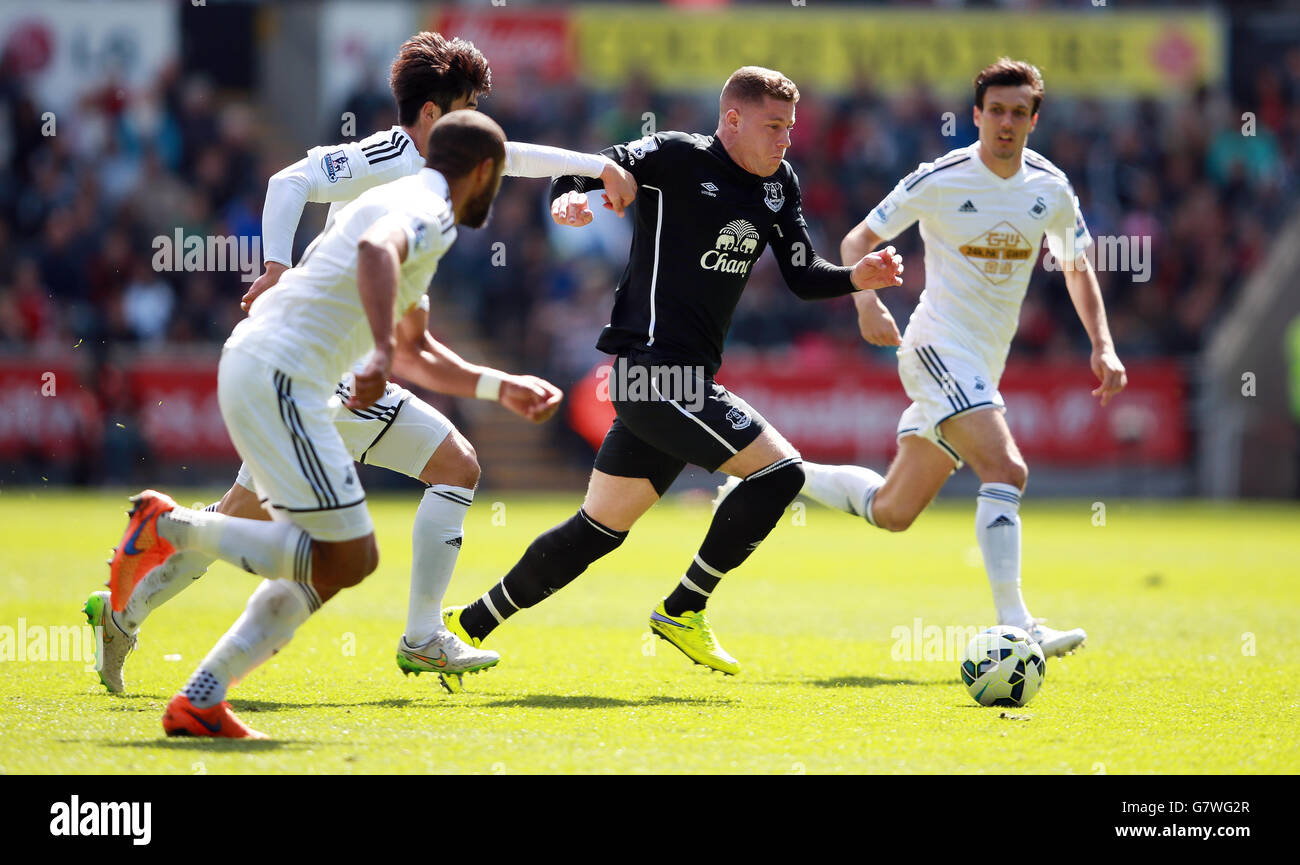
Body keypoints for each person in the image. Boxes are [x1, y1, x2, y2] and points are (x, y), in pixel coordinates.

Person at [84, 32, 636, 694]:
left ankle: (128, 607)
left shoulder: (443, 167)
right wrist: (276, 269)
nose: (478, 129)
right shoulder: (397, 152)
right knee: (317, 545)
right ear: (432, 115)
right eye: (465, 109)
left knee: (423, 474)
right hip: (324, 374)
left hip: (329, 367)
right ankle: (185, 615)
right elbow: (292, 179)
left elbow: (506, 157)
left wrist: (595, 164)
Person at [439, 66, 904, 686]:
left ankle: (468, 624)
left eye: (790, 128)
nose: (785, 140)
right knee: (782, 472)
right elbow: (587, 167)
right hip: (655, 375)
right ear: (732, 120)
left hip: (672, 382)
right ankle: (684, 608)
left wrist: (855, 279)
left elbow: (800, 274)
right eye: (773, 126)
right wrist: (568, 201)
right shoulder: (677, 155)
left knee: (597, 530)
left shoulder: (779, 185)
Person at [108, 111, 509, 738]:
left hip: (270, 368)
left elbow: (415, 349)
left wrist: (501, 386)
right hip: (288, 378)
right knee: (334, 553)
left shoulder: (398, 196)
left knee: (339, 560)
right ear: (483, 172)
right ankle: (168, 527)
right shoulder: (427, 213)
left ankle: (201, 697)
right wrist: (376, 353)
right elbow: (379, 262)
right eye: (501, 178)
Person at [779, 59, 1127, 656]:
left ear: (1033, 120)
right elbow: (856, 241)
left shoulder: (1050, 189)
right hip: (936, 348)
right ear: (977, 115)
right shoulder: (939, 178)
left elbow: (1076, 265)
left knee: (891, 510)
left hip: (980, 366)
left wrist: (1103, 343)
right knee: (1007, 471)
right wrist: (865, 305)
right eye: (996, 111)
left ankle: (775, 478)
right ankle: (1019, 624)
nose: (1006, 123)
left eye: (1019, 112)